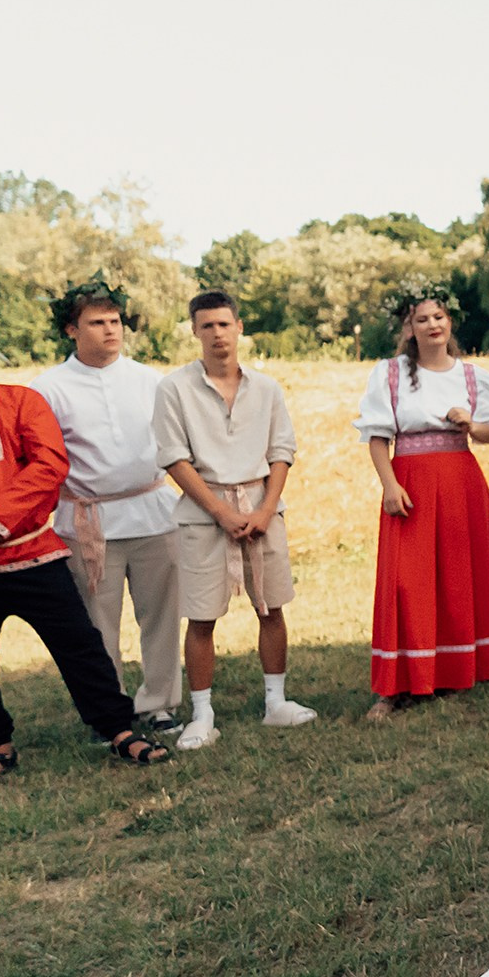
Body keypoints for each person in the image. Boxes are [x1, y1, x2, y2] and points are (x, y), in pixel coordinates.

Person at [0, 325, 171, 786]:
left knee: (81, 646)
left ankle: (118, 729)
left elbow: (49, 465)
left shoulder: (20, 401)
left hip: (33, 555)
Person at [153, 290, 316, 749]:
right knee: (201, 616)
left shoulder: (265, 388)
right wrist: (222, 512)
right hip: (204, 515)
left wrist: (265, 509)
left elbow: (282, 450)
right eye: (207, 326)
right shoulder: (175, 389)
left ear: (239, 327)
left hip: (263, 508)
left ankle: (276, 701)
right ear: (194, 331)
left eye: (224, 324)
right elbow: (174, 458)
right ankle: (202, 715)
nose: (217, 334)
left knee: (272, 606)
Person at [354, 282, 489, 718]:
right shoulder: (388, 374)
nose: (432, 325)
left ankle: (455, 669)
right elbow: (376, 436)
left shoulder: (470, 376)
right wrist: (389, 485)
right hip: (409, 481)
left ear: (450, 323)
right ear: (409, 327)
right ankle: (397, 683)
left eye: (439, 317)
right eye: (422, 318)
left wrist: (470, 423)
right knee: (407, 582)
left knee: (456, 576)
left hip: (461, 481)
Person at [31, 276, 184, 738]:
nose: (110, 330)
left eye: (115, 321)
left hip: (154, 512)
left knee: (161, 614)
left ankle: (159, 704)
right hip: (88, 521)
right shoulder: (47, 388)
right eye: (96, 322)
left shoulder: (149, 380)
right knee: (98, 626)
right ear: (71, 330)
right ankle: (110, 711)